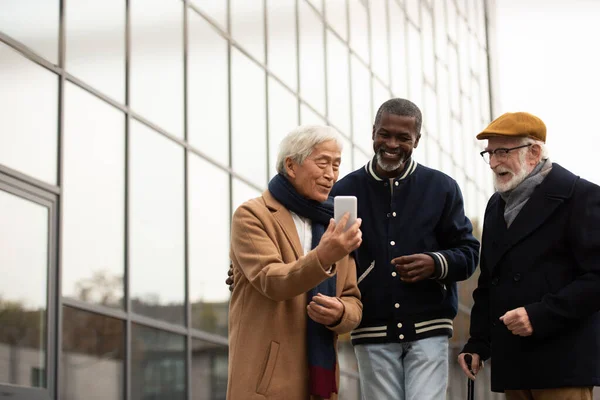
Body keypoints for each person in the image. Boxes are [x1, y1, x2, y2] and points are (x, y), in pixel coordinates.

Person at [330, 98, 480, 400]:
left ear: (417, 140)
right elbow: (317, 250)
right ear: (373, 132)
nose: (392, 144)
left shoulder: (442, 187)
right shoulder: (344, 190)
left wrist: (436, 263)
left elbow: (469, 253)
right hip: (371, 329)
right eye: (384, 134)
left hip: (430, 328)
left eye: (403, 138)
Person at [458, 112, 600, 400]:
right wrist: (478, 343)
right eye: (490, 153)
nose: (495, 162)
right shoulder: (495, 206)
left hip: (562, 366)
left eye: (503, 152)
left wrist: (539, 315)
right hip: (514, 367)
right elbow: (489, 283)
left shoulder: (581, 196)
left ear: (534, 152)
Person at [227, 125, 363, 400]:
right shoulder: (252, 215)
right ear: (291, 165)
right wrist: (324, 256)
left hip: (318, 381)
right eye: (323, 162)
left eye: (336, 165)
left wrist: (339, 312)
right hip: (264, 381)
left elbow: (353, 301)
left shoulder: (334, 226)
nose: (331, 174)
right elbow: (271, 280)